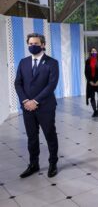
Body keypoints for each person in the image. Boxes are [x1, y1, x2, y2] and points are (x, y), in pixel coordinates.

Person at [14, 33, 59, 178]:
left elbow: (51, 85)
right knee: (32, 137)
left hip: (45, 107)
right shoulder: (23, 62)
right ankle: (33, 164)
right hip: (27, 107)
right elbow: (18, 83)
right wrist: (25, 101)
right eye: (30, 44)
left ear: (43, 45)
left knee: (50, 135)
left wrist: (35, 101)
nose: (32, 46)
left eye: (36, 43)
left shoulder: (52, 63)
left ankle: (53, 163)